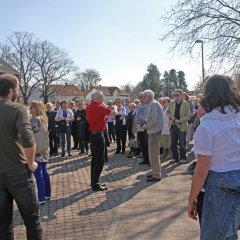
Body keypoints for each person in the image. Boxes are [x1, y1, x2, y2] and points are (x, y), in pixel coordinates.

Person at [187, 75, 240, 239]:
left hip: (218, 189)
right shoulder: (237, 118)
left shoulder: (208, 125)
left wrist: (191, 200)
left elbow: (202, 171)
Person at [0, 74, 43, 239]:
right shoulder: (18, 108)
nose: (18, 91)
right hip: (19, 173)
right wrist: (31, 162)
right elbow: (28, 138)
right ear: (11, 90)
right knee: (32, 222)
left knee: (3, 224)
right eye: (18, 88)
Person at [86, 91, 113, 191]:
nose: (103, 99)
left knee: (95, 159)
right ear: (97, 98)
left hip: (93, 134)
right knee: (99, 160)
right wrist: (112, 108)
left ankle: (94, 181)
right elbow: (113, 113)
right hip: (98, 134)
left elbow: (93, 117)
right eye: (102, 97)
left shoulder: (89, 106)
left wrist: (103, 118)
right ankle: (95, 184)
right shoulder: (98, 106)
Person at [30, 100, 51, 205]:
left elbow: (28, 132)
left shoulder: (34, 119)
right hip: (44, 148)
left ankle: (41, 197)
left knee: (38, 173)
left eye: (31, 107)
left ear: (36, 108)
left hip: (37, 149)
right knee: (44, 171)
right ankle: (47, 194)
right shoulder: (44, 118)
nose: (29, 109)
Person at [143, 90, 164, 182]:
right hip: (154, 131)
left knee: (154, 154)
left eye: (144, 96)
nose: (143, 98)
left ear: (150, 96)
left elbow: (153, 120)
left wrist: (145, 126)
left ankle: (156, 174)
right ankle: (155, 171)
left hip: (154, 131)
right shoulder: (153, 104)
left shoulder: (154, 104)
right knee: (153, 154)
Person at [167, 89, 191, 164]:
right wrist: (171, 117)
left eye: (177, 95)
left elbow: (188, 115)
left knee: (182, 143)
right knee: (173, 143)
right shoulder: (172, 103)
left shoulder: (186, 104)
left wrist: (180, 120)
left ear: (181, 95)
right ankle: (175, 157)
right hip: (173, 125)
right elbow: (167, 112)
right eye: (175, 95)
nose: (176, 97)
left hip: (182, 126)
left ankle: (183, 158)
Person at [134, 92, 149, 165]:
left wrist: (144, 123)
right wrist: (134, 126)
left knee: (147, 144)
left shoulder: (148, 105)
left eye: (142, 96)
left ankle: (150, 160)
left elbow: (149, 116)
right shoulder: (138, 105)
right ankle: (145, 159)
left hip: (145, 128)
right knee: (142, 144)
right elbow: (136, 116)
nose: (141, 98)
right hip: (139, 127)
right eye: (139, 97)